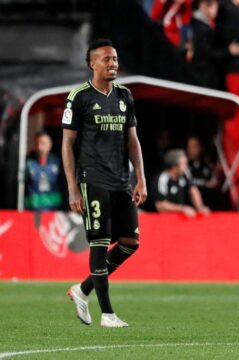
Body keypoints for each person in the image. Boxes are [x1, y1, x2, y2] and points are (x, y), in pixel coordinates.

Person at [62, 39, 147, 328]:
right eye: (106, 59)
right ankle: (108, 314)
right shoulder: (80, 96)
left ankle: (82, 290)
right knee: (99, 242)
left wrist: (141, 178)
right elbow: (67, 143)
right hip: (93, 179)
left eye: (115, 58)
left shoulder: (125, 95)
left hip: (122, 180)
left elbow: (132, 139)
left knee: (130, 242)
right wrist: (73, 187)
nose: (113, 64)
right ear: (92, 64)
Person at [151, 149, 210, 217]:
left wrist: (200, 207)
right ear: (174, 166)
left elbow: (193, 190)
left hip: (179, 218)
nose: (186, 166)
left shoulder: (185, 173)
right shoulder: (162, 179)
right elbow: (160, 206)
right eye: (184, 164)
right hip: (161, 218)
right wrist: (182, 209)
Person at [25, 131, 63, 211]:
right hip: (32, 211)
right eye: (37, 143)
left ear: (50, 145)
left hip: (54, 211)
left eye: (43, 143)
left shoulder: (58, 163)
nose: (39, 147)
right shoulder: (27, 163)